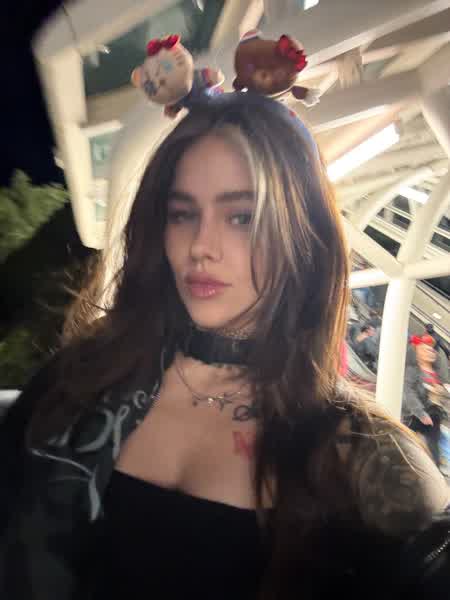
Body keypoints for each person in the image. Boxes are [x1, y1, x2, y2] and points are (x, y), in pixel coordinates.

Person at [1, 92, 449, 600]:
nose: (200, 246)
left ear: (304, 236)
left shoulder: (359, 457)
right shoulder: (81, 377)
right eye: (182, 214)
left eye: (241, 217)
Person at [403, 335, 448, 467]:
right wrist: (420, 412)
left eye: (432, 350)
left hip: (435, 415)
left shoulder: (437, 373)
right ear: (418, 353)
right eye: (426, 350)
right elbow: (408, 392)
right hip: (416, 415)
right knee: (407, 443)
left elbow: (443, 395)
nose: (431, 352)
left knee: (433, 450)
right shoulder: (412, 371)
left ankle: (434, 468)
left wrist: (442, 391)